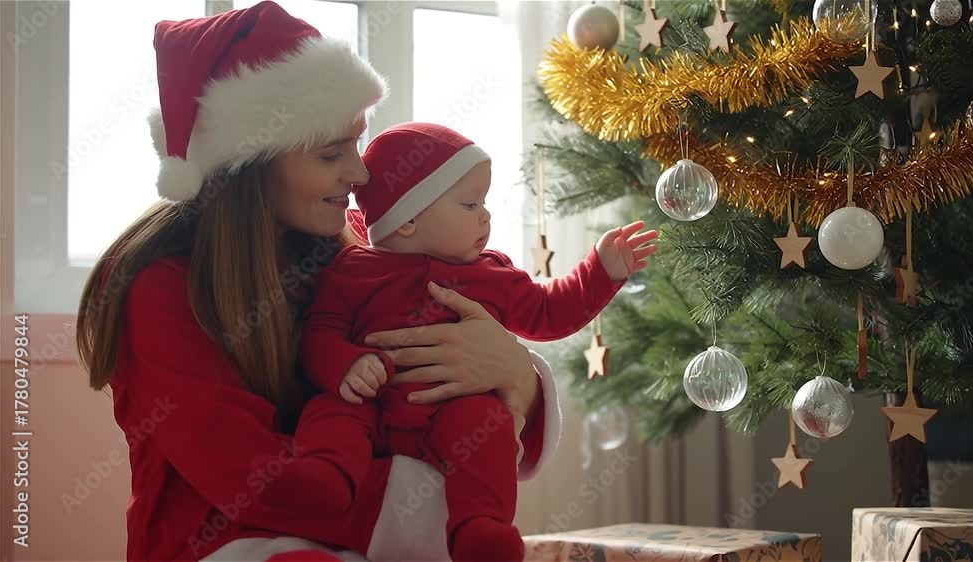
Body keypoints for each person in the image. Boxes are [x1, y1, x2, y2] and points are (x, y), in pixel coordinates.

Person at [74, 3, 562, 561]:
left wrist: (516, 377)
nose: (359, 174)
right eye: (331, 154)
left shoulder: (349, 251)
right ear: (251, 166)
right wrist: (432, 511)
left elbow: (440, 399)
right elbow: (255, 481)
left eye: (357, 144)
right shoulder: (158, 288)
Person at [298, 123, 657, 562]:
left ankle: (479, 528)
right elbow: (319, 334)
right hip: (368, 402)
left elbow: (547, 312)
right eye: (470, 204)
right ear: (407, 220)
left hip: (451, 409)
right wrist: (345, 365)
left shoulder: (490, 274)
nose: (485, 216)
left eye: (483, 202)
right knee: (329, 411)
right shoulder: (351, 269)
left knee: (488, 426)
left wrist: (601, 271)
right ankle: (325, 479)